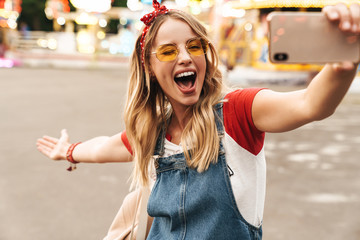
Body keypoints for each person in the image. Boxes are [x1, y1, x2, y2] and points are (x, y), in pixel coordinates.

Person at [36, 1, 360, 239]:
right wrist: (69, 151)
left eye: (194, 46)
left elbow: (310, 104)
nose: (185, 57)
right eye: (168, 51)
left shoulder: (237, 111)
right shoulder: (153, 130)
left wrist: (341, 65)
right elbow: (105, 147)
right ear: (149, 66)